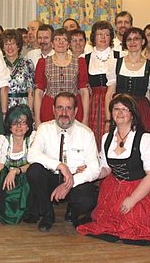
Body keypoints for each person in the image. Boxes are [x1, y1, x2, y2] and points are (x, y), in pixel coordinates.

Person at [77, 94, 150, 246]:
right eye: (116, 109)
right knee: (109, 223)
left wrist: (133, 199)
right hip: (115, 188)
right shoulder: (106, 138)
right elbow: (106, 169)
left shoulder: (145, 139)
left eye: (125, 109)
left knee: (134, 223)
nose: (120, 113)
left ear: (132, 114)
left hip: (144, 187)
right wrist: (90, 171)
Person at [26, 92, 100, 231]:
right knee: (34, 171)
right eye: (60, 108)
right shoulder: (44, 128)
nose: (64, 112)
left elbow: (95, 168)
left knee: (88, 198)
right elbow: (32, 154)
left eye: (68, 108)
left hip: (75, 179)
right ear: (53, 109)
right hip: (51, 177)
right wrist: (60, 166)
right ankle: (47, 214)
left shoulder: (86, 133)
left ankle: (73, 210)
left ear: (76, 111)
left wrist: (69, 183)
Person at [34, 28, 89, 128]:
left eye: (64, 39)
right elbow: (38, 93)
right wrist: (37, 119)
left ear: (68, 44)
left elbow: (84, 92)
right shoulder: (43, 63)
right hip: (50, 107)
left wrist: (85, 118)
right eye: (57, 39)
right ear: (52, 44)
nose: (61, 42)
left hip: (72, 107)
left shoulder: (79, 62)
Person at [106, 27, 150, 133]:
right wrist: (108, 120)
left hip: (142, 111)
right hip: (120, 110)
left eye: (136, 39)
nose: (132, 42)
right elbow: (110, 93)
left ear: (143, 41)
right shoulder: (116, 63)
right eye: (129, 39)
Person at [0, 104, 35, 224]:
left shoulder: (33, 139)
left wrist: (15, 171)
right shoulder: (3, 140)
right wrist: (10, 176)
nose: (18, 126)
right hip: (8, 183)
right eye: (14, 122)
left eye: (22, 122)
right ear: (9, 125)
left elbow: (36, 164)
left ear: (28, 125)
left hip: (27, 183)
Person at [85, 21, 120, 148]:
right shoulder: (86, 58)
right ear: (94, 37)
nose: (103, 37)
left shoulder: (119, 56)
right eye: (100, 34)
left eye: (106, 34)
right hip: (93, 102)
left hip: (113, 99)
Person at [0, 29, 34, 109]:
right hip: (1, 107)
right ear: (2, 47)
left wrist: (29, 110)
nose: (9, 47)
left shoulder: (27, 64)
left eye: (12, 43)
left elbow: (31, 91)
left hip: (22, 106)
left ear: (18, 46)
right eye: (6, 44)